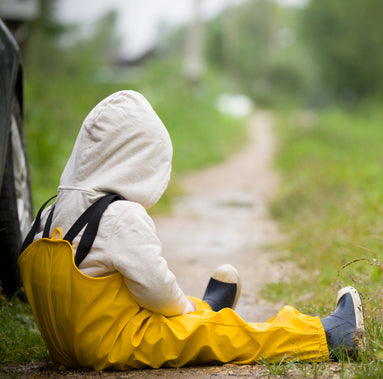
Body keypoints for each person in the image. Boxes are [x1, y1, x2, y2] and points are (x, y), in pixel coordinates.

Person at [18, 90, 365, 371]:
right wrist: (185, 312)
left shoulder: (49, 213)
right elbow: (157, 293)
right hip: (116, 343)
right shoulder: (119, 216)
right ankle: (328, 335)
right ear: (136, 162)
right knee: (219, 334)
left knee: (184, 314)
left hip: (67, 346)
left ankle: (208, 307)